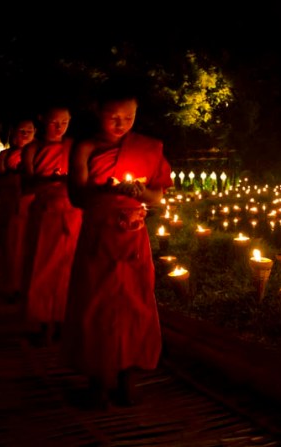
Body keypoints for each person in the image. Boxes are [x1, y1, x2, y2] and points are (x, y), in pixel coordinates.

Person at [62, 77, 173, 408]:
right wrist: (107, 190)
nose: (121, 123)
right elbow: (76, 196)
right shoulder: (85, 148)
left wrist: (140, 193)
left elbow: (158, 198)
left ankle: (128, 376)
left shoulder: (149, 148)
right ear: (98, 111)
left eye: (129, 117)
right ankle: (97, 378)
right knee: (95, 304)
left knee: (134, 304)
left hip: (133, 240)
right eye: (113, 116)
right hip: (98, 237)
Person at [21, 103, 82, 346]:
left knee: (69, 268)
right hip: (44, 214)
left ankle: (64, 319)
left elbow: (83, 178)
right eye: (54, 122)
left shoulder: (74, 146)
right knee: (41, 266)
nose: (59, 128)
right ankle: (41, 320)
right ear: (42, 119)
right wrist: (50, 182)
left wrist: (69, 182)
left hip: (72, 212)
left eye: (65, 122)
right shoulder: (32, 149)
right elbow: (26, 186)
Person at [0, 117, 37, 302]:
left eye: (29, 130)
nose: (25, 133)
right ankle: (13, 287)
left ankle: (31, 287)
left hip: (32, 207)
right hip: (11, 206)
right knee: (12, 249)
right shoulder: (4, 155)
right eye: (21, 130)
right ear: (13, 133)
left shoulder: (38, 153)